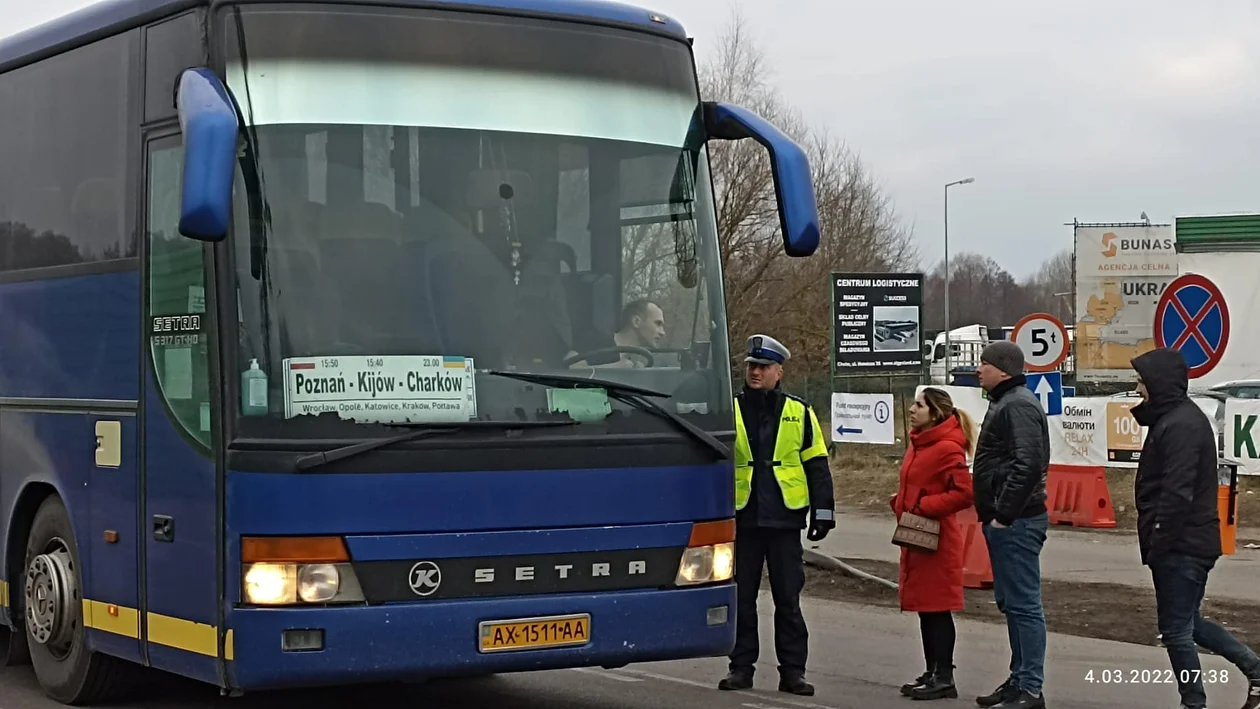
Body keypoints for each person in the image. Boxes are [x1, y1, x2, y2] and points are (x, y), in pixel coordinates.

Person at [1130, 348, 1260, 709]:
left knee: (1175, 631)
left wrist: (1159, 541)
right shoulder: (1173, 419)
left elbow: (1177, 491)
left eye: (1142, 382)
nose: (1138, 389)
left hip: (1183, 545)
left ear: (1159, 383)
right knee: (1187, 623)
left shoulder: (1181, 424)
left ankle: (1193, 702)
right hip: (1184, 542)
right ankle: (1255, 670)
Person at [718, 334, 835, 697]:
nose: (756, 372)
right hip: (743, 516)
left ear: (779, 372)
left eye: (764, 367)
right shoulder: (729, 408)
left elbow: (817, 464)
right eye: (752, 366)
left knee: (788, 599)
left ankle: (793, 672)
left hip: (785, 519)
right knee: (743, 598)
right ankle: (741, 668)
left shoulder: (799, 412)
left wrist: (824, 512)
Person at [971, 341, 1050, 709]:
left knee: (1023, 605)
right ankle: (1019, 680)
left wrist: (1004, 514)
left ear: (1003, 369)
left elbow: (1029, 464)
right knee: (1011, 603)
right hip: (1005, 520)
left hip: (1016, 521)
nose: (978, 370)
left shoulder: (1016, 404)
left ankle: (1030, 688)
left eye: (983, 364)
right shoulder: (1005, 402)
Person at [894, 387, 977, 701]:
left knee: (937, 609)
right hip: (916, 533)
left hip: (937, 540)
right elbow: (916, 484)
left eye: (919, 405)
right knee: (925, 609)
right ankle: (932, 671)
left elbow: (964, 494)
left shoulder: (947, 448)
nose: (913, 410)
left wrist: (924, 506)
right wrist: (900, 503)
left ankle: (944, 676)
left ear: (935, 413)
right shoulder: (919, 442)